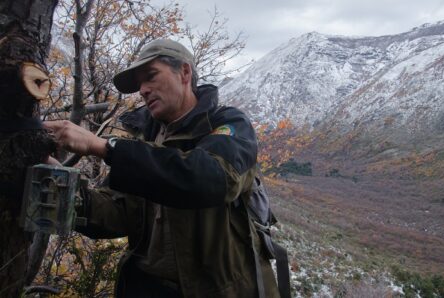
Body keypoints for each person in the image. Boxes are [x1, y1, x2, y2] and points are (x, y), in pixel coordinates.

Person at [44, 39, 279, 297]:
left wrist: (105, 147)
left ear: (185, 73)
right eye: (139, 85)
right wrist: (63, 185)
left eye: (151, 76)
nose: (143, 90)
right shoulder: (146, 139)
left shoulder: (227, 125)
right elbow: (119, 213)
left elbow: (207, 178)